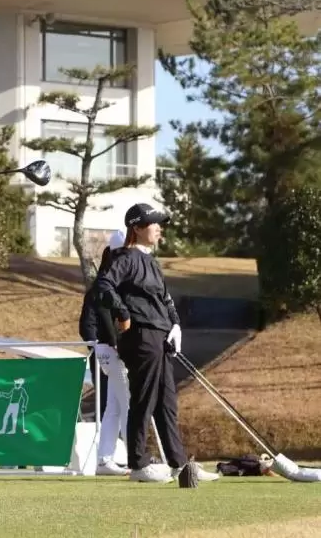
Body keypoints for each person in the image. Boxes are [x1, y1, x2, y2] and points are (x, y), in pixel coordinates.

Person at [96, 203, 220, 483]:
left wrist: (175, 324)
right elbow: (103, 286)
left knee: (167, 401)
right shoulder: (123, 258)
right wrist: (122, 312)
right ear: (137, 228)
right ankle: (138, 465)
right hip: (141, 336)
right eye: (154, 224)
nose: (159, 228)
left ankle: (179, 464)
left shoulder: (151, 261)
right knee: (144, 398)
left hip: (161, 336)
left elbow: (164, 299)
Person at [79, 229, 131, 476]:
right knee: (128, 404)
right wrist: (105, 345)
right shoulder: (105, 286)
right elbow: (89, 324)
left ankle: (105, 459)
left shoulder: (110, 284)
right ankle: (136, 457)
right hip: (112, 351)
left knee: (114, 408)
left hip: (110, 350)